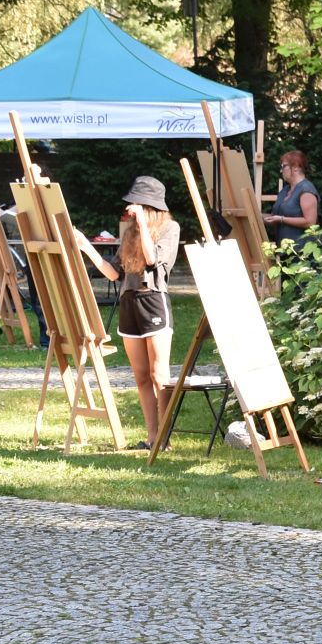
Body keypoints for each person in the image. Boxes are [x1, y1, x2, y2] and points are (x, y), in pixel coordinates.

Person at [116, 175, 181, 449]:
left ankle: (164, 438)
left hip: (153, 300)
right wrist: (84, 247)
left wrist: (143, 225)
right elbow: (115, 273)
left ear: (149, 206)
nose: (132, 210)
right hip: (129, 303)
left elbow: (153, 259)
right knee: (141, 376)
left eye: (137, 205)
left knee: (159, 375)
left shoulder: (170, 228)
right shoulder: (130, 232)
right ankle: (152, 437)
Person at [264, 150, 320, 249]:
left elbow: (310, 222)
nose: (281, 171)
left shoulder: (306, 189)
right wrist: (256, 215)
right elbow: (275, 217)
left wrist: (281, 219)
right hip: (285, 251)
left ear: (295, 167)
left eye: (283, 166)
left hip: (303, 252)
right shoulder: (285, 190)